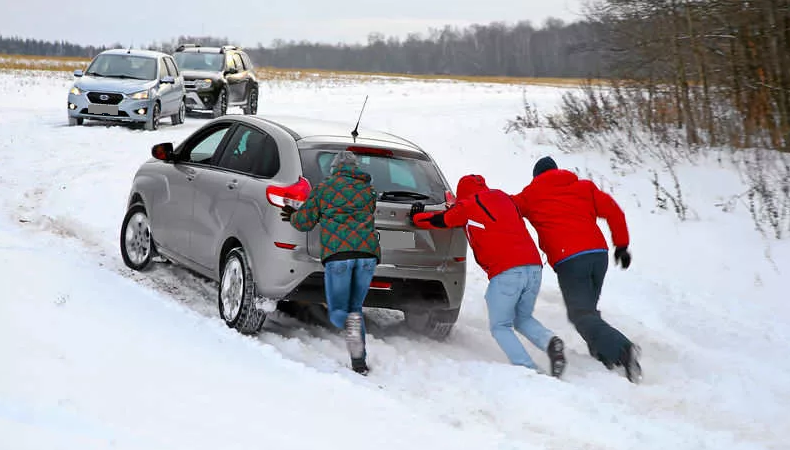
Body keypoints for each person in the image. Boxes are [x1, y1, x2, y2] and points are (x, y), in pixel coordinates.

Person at [409, 174, 566, 378]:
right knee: (522, 318)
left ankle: (529, 370)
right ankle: (552, 343)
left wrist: (416, 217)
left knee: (500, 326)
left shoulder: (468, 205)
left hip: (508, 270)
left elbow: (442, 220)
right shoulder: (504, 197)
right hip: (534, 267)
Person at [511, 156, 642, 383]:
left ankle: (622, 349)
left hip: (570, 258)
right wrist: (621, 245)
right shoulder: (584, 188)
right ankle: (606, 357)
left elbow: (504, 207)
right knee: (588, 311)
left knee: (581, 314)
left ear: (536, 177)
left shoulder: (531, 195)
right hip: (598, 256)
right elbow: (614, 212)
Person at [280, 151, 380, 375]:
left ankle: (348, 324)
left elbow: (304, 222)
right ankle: (359, 363)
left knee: (338, 312)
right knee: (356, 309)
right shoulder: (369, 190)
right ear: (355, 168)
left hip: (339, 256)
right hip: (367, 256)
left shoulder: (324, 188)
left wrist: (293, 214)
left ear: (334, 168)